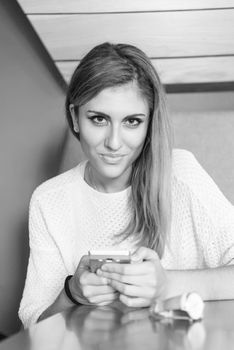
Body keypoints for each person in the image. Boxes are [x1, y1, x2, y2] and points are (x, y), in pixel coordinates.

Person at [19, 42, 234, 329]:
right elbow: (33, 327)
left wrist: (167, 283)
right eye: (99, 119)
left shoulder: (181, 174)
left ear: (148, 124)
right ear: (75, 117)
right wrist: (72, 293)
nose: (114, 142)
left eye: (132, 121)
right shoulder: (48, 200)